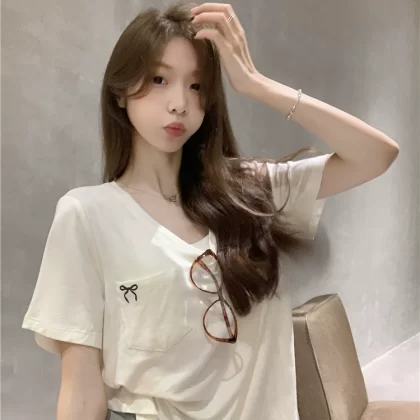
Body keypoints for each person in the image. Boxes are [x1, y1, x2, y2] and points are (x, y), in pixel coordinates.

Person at [21, 1, 399, 420]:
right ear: (120, 91)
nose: (179, 103)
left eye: (197, 86)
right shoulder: (86, 215)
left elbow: (376, 155)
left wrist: (257, 85)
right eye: (159, 79)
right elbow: (81, 390)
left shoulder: (250, 190)